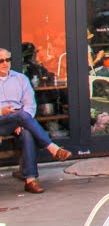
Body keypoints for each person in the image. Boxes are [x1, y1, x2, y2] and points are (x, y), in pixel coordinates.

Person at [0, 47, 72, 193]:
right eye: (1, 60)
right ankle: (52, 148)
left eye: (8, 60)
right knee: (22, 117)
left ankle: (30, 180)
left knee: (27, 132)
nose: (5, 63)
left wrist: (21, 121)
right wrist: (2, 111)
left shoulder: (20, 79)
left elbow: (30, 104)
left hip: (18, 120)